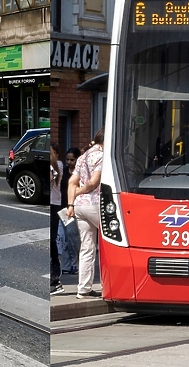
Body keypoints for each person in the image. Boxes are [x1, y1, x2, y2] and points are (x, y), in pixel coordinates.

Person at [66, 128, 104, 299]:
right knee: (112, 242)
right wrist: (81, 191)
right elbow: (94, 183)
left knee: (87, 248)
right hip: (95, 205)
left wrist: (71, 202)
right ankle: (109, 285)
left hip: (80, 208)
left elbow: (71, 181)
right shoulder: (102, 155)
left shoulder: (82, 157)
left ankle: (83, 289)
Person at [59, 147, 81, 274]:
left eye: (72, 160)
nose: (69, 162)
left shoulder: (80, 174)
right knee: (65, 238)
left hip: (74, 207)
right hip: (63, 208)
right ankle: (67, 265)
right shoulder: (64, 172)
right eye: (67, 159)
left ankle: (74, 263)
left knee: (72, 237)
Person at [49, 141, 65, 295]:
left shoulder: (58, 165)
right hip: (50, 204)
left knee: (52, 238)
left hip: (54, 204)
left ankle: (55, 264)